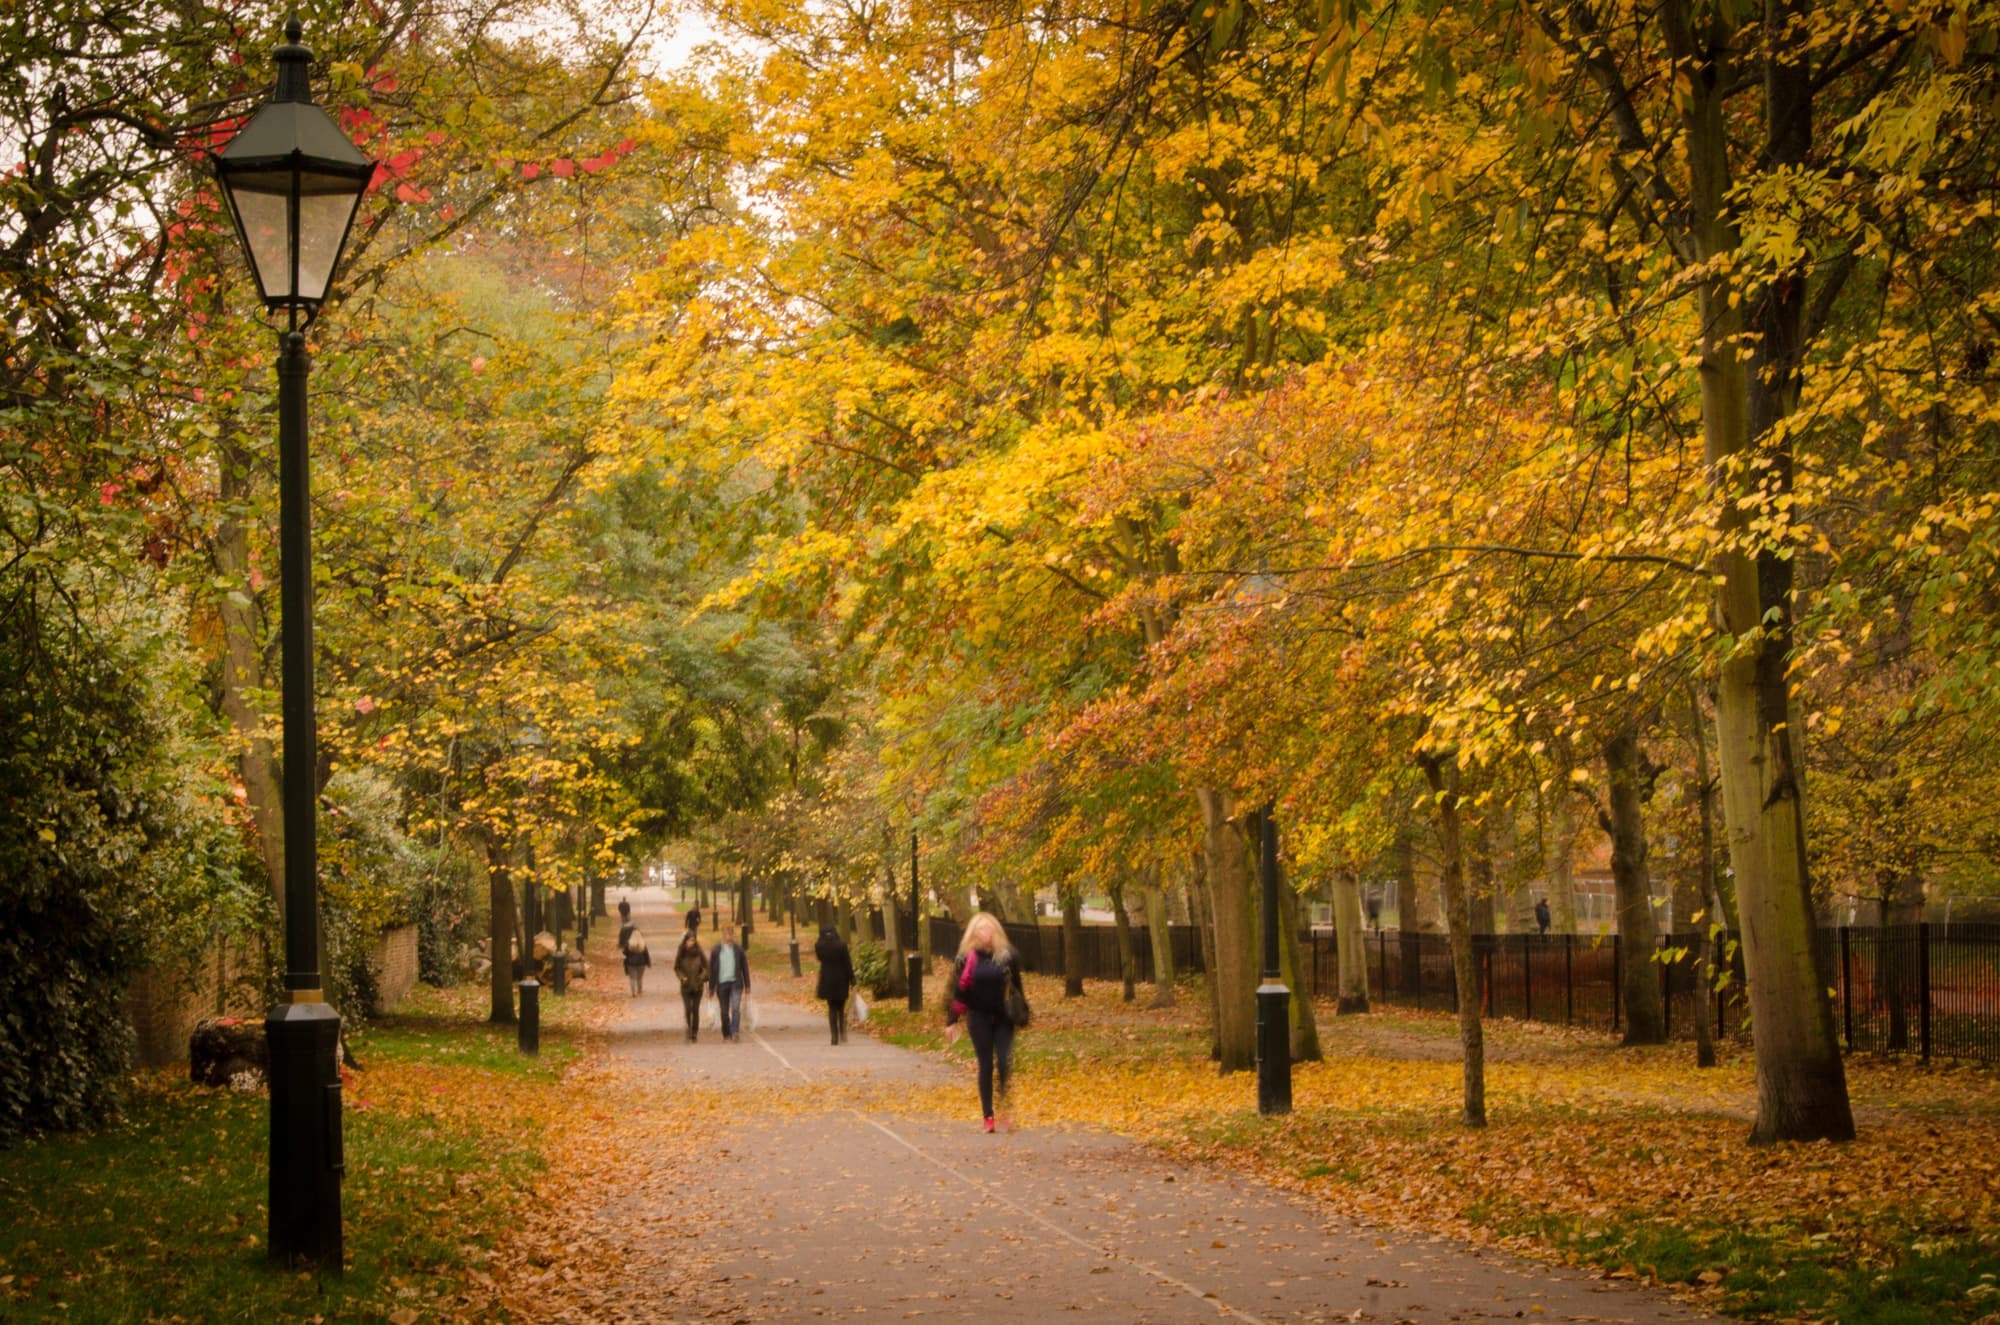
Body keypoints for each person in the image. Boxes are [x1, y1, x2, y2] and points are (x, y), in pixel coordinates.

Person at [944, 911, 1025, 1133]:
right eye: (981, 928)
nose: (986, 933)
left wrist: (1022, 1010)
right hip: (978, 1016)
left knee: (1004, 1062)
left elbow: (1017, 985)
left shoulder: (1006, 956)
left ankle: (1005, 1108)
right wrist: (952, 1020)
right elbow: (957, 990)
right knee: (986, 1065)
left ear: (996, 931)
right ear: (974, 932)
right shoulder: (966, 957)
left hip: (1003, 1017)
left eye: (990, 928)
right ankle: (988, 1116)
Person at [708, 923, 751, 1042]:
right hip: (722, 983)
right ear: (723, 935)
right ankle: (726, 1032)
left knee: (736, 1008)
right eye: (726, 934)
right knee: (724, 1011)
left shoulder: (738, 950)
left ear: (733, 935)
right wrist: (711, 988)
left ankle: (735, 1032)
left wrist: (747, 985)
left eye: (730, 934)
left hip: (735, 983)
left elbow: (744, 968)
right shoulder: (716, 950)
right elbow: (712, 970)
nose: (728, 936)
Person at [814, 925, 856, 1045]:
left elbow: (819, 958)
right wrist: (852, 978)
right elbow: (847, 962)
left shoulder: (819, 946)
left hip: (827, 978)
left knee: (831, 1007)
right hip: (841, 978)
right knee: (841, 1007)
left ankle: (834, 1036)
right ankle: (842, 1030)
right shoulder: (841, 945)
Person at [673, 928, 709, 1042]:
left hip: (698, 986)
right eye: (688, 941)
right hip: (686, 986)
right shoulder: (681, 952)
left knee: (695, 1009)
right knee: (688, 1009)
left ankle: (694, 1032)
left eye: (692, 941)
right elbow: (676, 968)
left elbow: (707, 967)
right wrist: (682, 977)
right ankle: (689, 1028)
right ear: (685, 941)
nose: (690, 943)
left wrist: (702, 977)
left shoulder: (699, 952)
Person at [623, 928, 651, 996]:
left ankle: (633, 992)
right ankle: (639, 990)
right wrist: (648, 963)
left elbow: (624, 952)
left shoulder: (629, 943)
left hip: (631, 963)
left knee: (632, 978)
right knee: (639, 978)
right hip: (641, 963)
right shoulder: (643, 944)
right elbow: (646, 954)